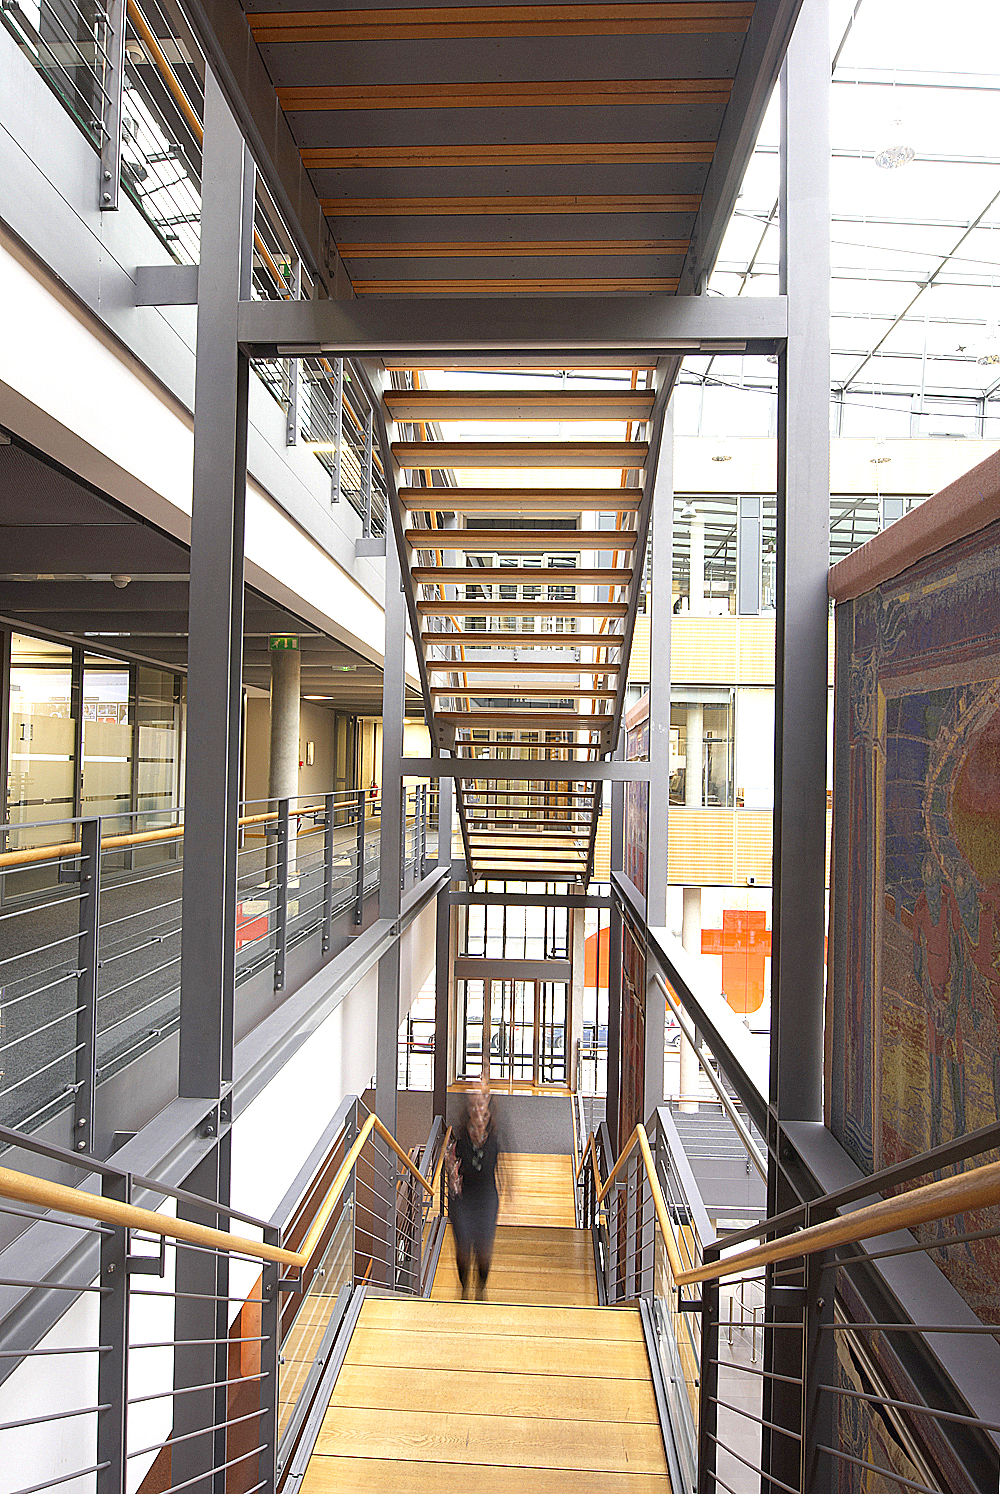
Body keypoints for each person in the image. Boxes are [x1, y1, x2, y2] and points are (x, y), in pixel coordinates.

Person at [446, 1085, 501, 1299]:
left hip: (486, 1199)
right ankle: (464, 1289)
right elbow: (450, 1166)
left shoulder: (495, 1135)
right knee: (462, 1250)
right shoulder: (459, 1137)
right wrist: (451, 1172)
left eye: (481, 1104)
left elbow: (501, 1165)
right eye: (473, 1105)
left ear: (488, 1107)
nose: (477, 1109)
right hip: (463, 1200)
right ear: (467, 1108)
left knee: (484, 1251)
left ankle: (480, 1289)